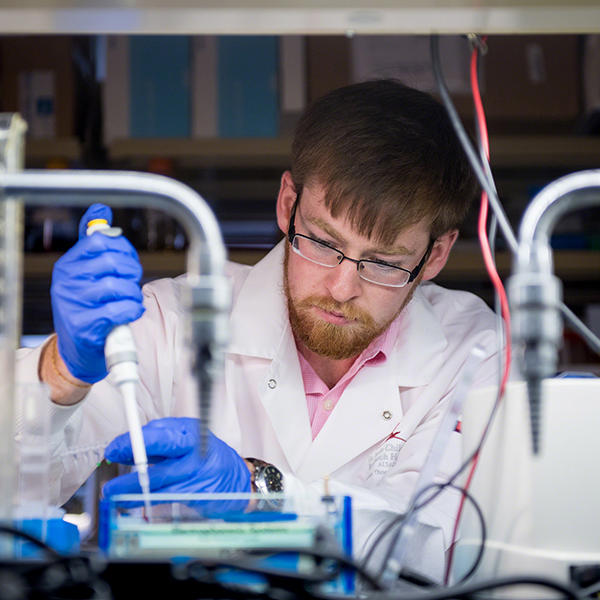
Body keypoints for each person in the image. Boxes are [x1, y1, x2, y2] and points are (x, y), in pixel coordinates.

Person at [17, 79, 501, 581]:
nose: (341, 288)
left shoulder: (470, 351)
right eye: (323, 241)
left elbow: (436, 552)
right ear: (288, 203)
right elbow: (16, 493)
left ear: (436, 255)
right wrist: (62, 372)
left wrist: (257, 491)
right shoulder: (171, 320)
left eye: (382, 263)